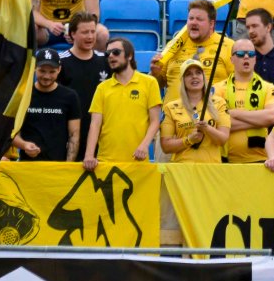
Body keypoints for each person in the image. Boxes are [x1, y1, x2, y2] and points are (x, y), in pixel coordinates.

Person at [84, 38, 162, 169]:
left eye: (116, 52)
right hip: (105, 160)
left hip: (137, 160)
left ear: (130, 55)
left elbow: (155, 121)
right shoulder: (102, 88)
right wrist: (89, 155)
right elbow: (95, 124)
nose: (111, 56)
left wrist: (144, 145)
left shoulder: (150, 83)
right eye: (107, 54)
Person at [151, 0, 234, 102]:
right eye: (191, 18)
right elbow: (156, 85)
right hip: (173, 115)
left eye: (199, 19)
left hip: (210, 114)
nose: (194, 22)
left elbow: (239, 84)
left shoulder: (229, 46)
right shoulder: (174, 45)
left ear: (211, 24)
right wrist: (155, 73)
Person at [13, 49, 82, 162]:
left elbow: (74, 135)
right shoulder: (23, 95)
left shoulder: (70, 96)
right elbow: (11, 131)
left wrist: (68, 165)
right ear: (34, 68)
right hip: (27, 165)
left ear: (59, 69)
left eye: (52, 72)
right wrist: (24, 145)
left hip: (57, 165)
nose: (46, 76)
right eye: (42, 71)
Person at [58, 12, 111, 154]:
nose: (90, 36)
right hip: (68, 134)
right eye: (85, 32)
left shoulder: (105, 61)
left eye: (93, 32)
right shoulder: (61, 62)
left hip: (100, 133)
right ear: (73, 34)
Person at [159, 59, 231, 162]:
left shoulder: (219, 103)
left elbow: (223, 139)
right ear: (182, 80)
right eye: (188, 74)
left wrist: (207, 128)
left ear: (203, 77)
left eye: (198, 73)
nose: (194, 76)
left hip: (211, 170)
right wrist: (189, 140)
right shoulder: (170, 107)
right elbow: (166, 146)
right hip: (183, 170)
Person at [221, 38, 274, 163]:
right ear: (231, 59)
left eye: (251, 54)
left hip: (259, 159)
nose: (246, 57)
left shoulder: (268, 88)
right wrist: (258, 121)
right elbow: (217, 123)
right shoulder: (217, 89)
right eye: (241, 54)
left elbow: (270, 117)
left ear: (255, 59)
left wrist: (234, 113)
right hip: (225, 160)